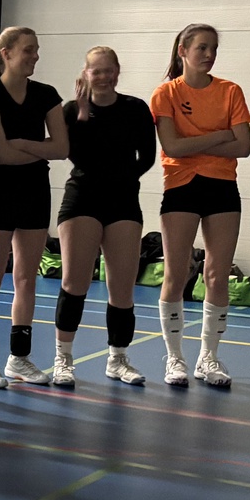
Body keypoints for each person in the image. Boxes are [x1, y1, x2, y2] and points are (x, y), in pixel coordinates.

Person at [151, 24, 250, 389]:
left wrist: (195, 141)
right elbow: (172, 147)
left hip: (222, 187)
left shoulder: (230, 91)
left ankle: (208, 356)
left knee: (217, 275)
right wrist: (220, 135)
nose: (209, 55)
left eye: (214, 49)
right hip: (181, 186)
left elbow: (243, 146)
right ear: (183, 50)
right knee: (176, 274)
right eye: (202, 48)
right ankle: (174, 357)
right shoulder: (166, 93)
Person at [0, 27, 66, 387]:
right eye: (28, 50)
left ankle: (19, 358)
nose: (35, 56)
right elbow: (1, 155)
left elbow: (62, 148)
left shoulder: (46, 95)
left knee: (26, 277)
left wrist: (23, 142)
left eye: (36, 49)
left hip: (35, 191)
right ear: (6, 53)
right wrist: (38, 148)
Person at [54, 46, 156, 387]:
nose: (102, 76)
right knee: (75, 283)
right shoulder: (72, 111)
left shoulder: (135, 108)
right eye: (95, 71)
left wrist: (123, 178)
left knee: (122, 288)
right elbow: (69, 152)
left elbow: (147, 156)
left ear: (117, 71)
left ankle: (118, 358)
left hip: (123, 201)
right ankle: (63, 358)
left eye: (108, 70)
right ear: (86, 74)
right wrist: (84, 114)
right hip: (82, 199)